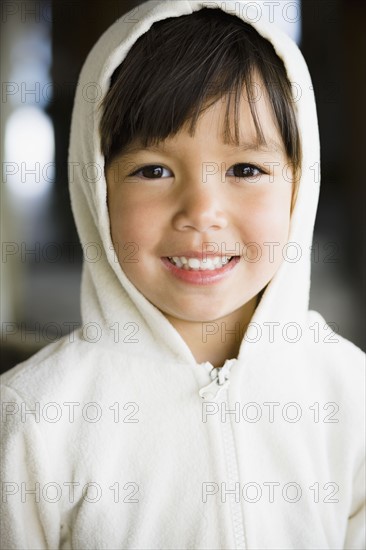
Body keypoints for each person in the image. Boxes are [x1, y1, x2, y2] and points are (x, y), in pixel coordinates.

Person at [1, 1, 364, 548]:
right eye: (153, 170)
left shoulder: (349, 395)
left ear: (299, 185)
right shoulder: (34, 418)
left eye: (246, 169)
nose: (200, 209)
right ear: (96, 190)